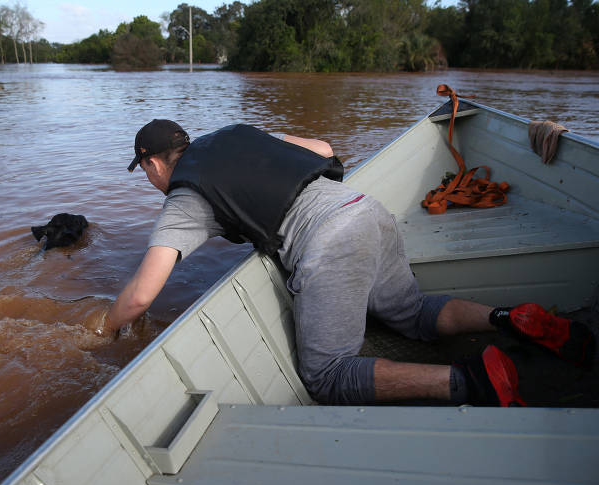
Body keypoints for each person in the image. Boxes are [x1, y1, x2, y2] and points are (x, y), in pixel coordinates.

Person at [95, 119, 595, 407]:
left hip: (329, 241)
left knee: (327, 375)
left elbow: (141, 295)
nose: (149, 179)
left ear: (152, 163)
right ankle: (510, 318)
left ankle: (469, 381)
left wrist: (100, 329)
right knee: (412, 312)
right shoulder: (236, 132)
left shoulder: (184, 198)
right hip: (363, 208)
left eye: (145, 171)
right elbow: (323, 149)